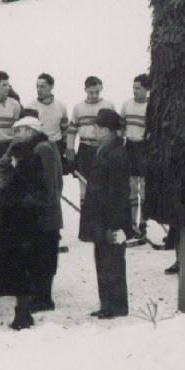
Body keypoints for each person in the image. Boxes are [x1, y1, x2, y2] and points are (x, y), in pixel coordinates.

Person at [0, 115, 63, 313]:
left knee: (44, 255)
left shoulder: (43, 149)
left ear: (31, 131)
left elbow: (50, 182)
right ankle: (39, 296)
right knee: (38, 255)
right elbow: (1, 167)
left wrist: (31, 200)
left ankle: (43, 298)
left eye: (19, 130)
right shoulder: (27, 148)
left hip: (44, 211)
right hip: (34, 210)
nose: (15, 134)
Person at [0, 132, 50, 331]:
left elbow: (4, 200)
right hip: (31, 232)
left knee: (18, 275)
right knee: (27, 272)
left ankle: (21, 315)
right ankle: (24, 312)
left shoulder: (19, 178)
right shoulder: (35, 175)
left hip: (15, 233)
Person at [78, 109, 134, 318]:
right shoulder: (104, 150)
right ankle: (107, 304)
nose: (94, 131)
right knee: (102, 260)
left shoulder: (117, 154)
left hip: (111, 220)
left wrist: (114, 226)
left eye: (97, 127)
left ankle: (116, 306)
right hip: (101, 219)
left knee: (113, 262)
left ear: (108, 130)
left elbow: (119, 194)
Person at [67, 76, 114, 206]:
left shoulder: (108, 106)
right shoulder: (78, 108)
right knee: (84, 185)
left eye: (97, 92)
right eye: (91, 92)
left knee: (103, 184)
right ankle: (85, 215)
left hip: (102, 149)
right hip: (85, 149)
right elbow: (71, 132)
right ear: (85, 90)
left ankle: (102, 216)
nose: (94, 95)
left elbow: (114, 130)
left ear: (101, 88)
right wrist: (70, 154)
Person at [120, 73, 150, 241]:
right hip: (130, 147)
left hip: (144, 148)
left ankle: (143, 224)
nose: (135, 91)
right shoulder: (126, 105)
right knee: (131, 188)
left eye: (138, 88)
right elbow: (121, 128)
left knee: (144, 189)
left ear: (146, 89)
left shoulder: (151, 106)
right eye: (133, 87)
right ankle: (131, 225)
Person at [30, 73, 70, 168]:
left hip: (56, 146)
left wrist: (66, 148)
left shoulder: (61, 106)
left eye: (42, 86)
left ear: (51, 86)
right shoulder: (31, 107)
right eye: (37, 86)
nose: (39, 89)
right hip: (38, 147)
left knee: (56, 174)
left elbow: (65, 129)